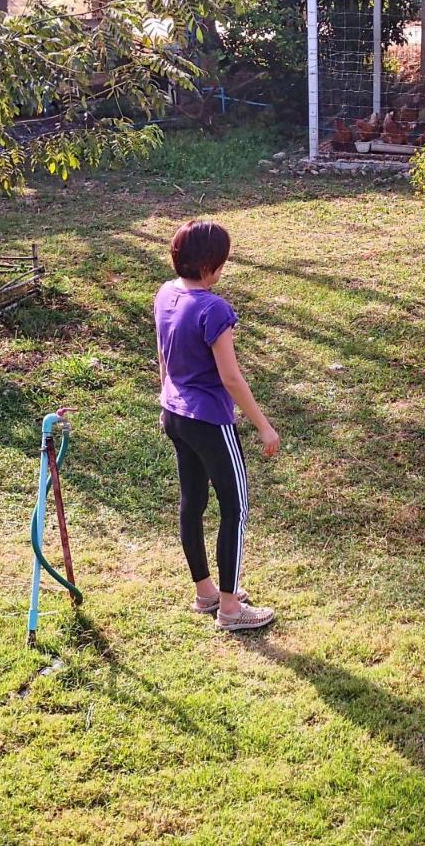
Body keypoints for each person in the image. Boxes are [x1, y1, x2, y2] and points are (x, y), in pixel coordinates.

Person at [155, 220, 280, 630]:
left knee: (192, 503)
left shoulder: (165, 295)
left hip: (175, 415)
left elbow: (163, 355)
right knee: (235, 508)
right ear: (211, 266)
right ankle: (230, 608)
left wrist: (166, 398)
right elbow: (230, 378)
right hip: (210, 421)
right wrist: (263, 426)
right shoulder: (214, 309)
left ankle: (206, 592)